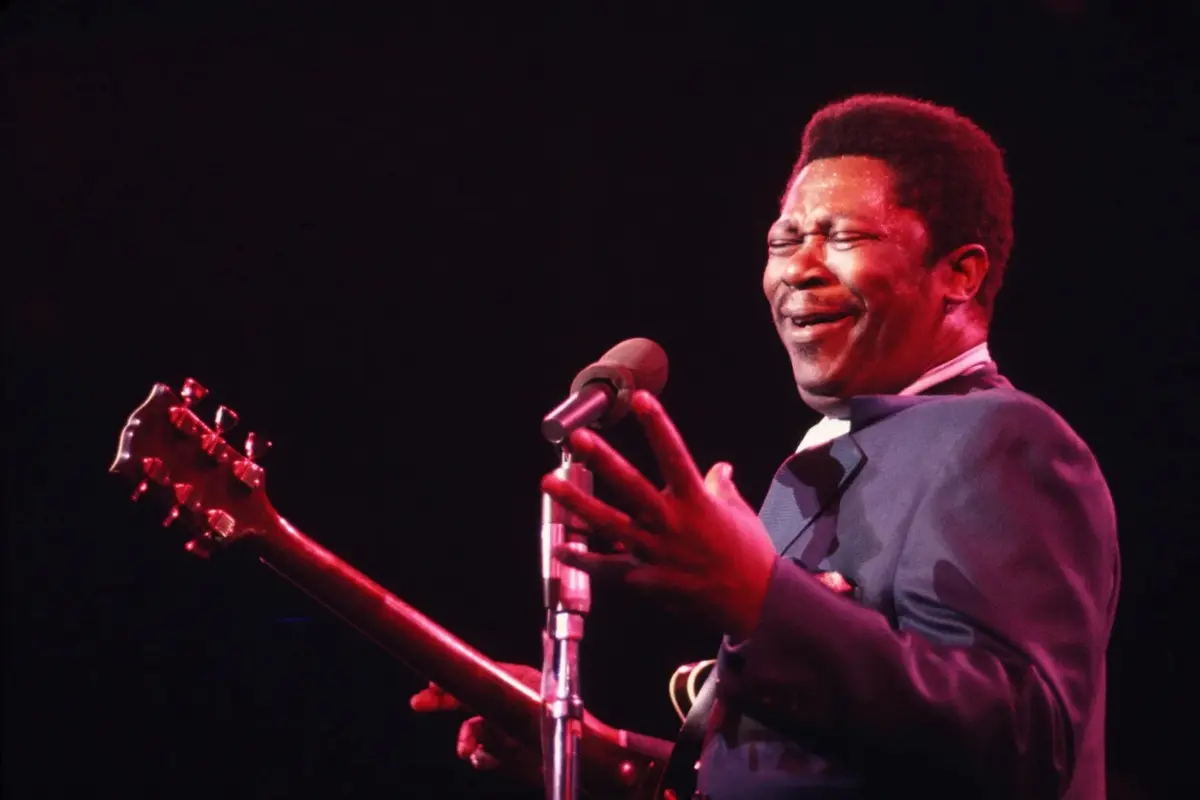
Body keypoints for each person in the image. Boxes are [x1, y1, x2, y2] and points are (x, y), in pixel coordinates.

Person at [411, 93, 1120, 799]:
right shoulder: (829, 463)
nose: (798, 269)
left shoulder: (1004, 439)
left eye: (841, 237)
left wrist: (759, 601)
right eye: (784, 241)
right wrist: (595, 752)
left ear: (959, 274)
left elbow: (1024, 748)